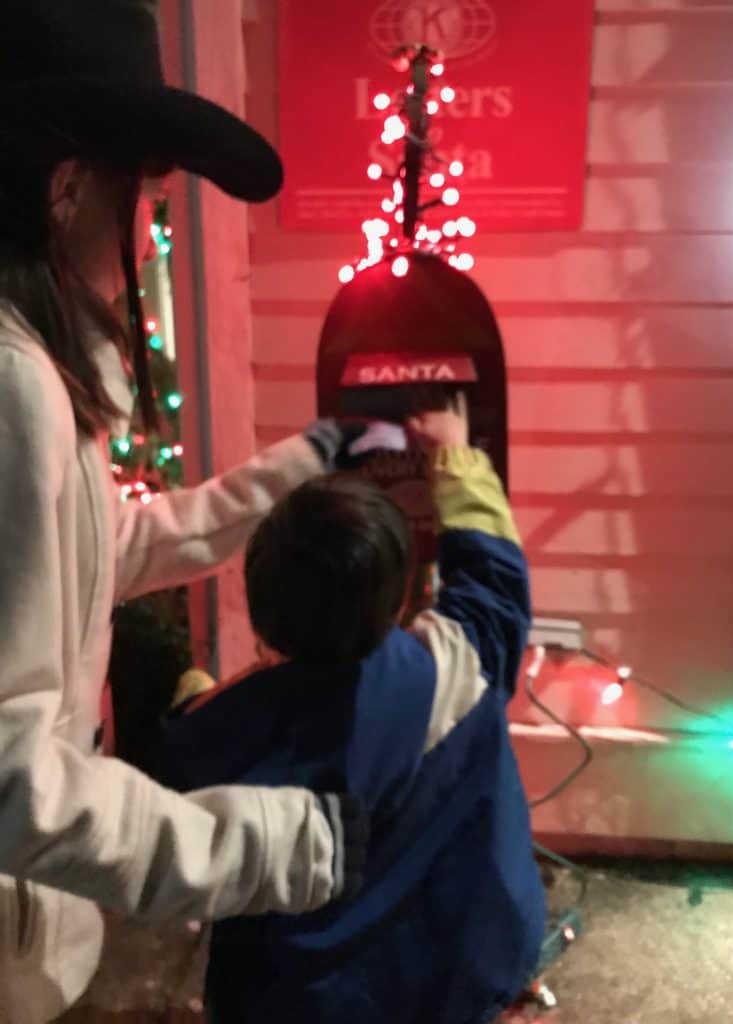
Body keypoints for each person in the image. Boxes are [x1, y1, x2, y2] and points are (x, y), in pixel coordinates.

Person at [0, 3, 367, 1022]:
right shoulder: (13, 389)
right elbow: (9, 774)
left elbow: (102, 550)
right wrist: (272, 844)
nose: (150, 235)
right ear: (69, 189)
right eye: (147, 201)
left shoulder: (37, 372)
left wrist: (307, 461)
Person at [162, 395, 548, 1024]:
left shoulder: (212, 736)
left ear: (262, 613)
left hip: (299, 1004)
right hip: (464, 977)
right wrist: (455, 453)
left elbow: (177, 791)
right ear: (400, 602)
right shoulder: (456, 667)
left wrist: (196, 692)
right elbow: (494, 578)